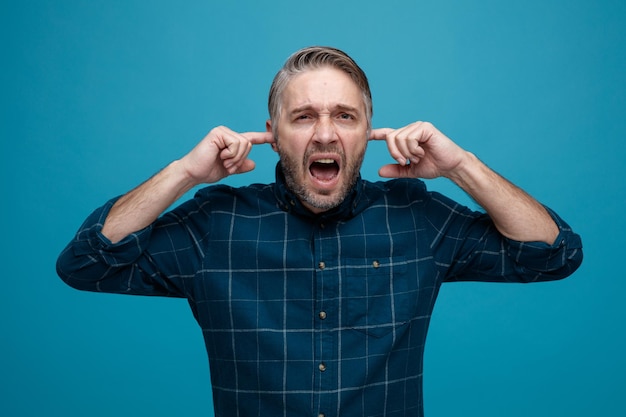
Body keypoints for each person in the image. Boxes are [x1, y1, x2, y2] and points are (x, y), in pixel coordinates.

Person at [56, 46, 583, 417]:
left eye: (345, 117)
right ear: (272, 133)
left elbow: (553, 253)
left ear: (369, 131)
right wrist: (185, 173)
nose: (326, 133)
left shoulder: (416, 218)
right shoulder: (216, 225)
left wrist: (460, 166)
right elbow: (85, 263)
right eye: (304, 116)